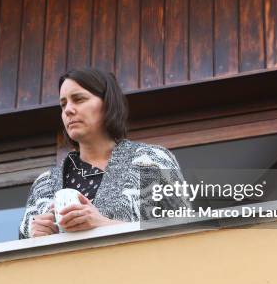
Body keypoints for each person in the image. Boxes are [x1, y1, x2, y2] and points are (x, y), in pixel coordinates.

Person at [18, 68, 189, 239]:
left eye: (79, 99)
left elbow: (184, 230)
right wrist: (35, 238)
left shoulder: (151, 160)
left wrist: (104, 224)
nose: (68, 110)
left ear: (108, 104)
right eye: (63, 104)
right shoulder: (44, 185)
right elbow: (20, 256)